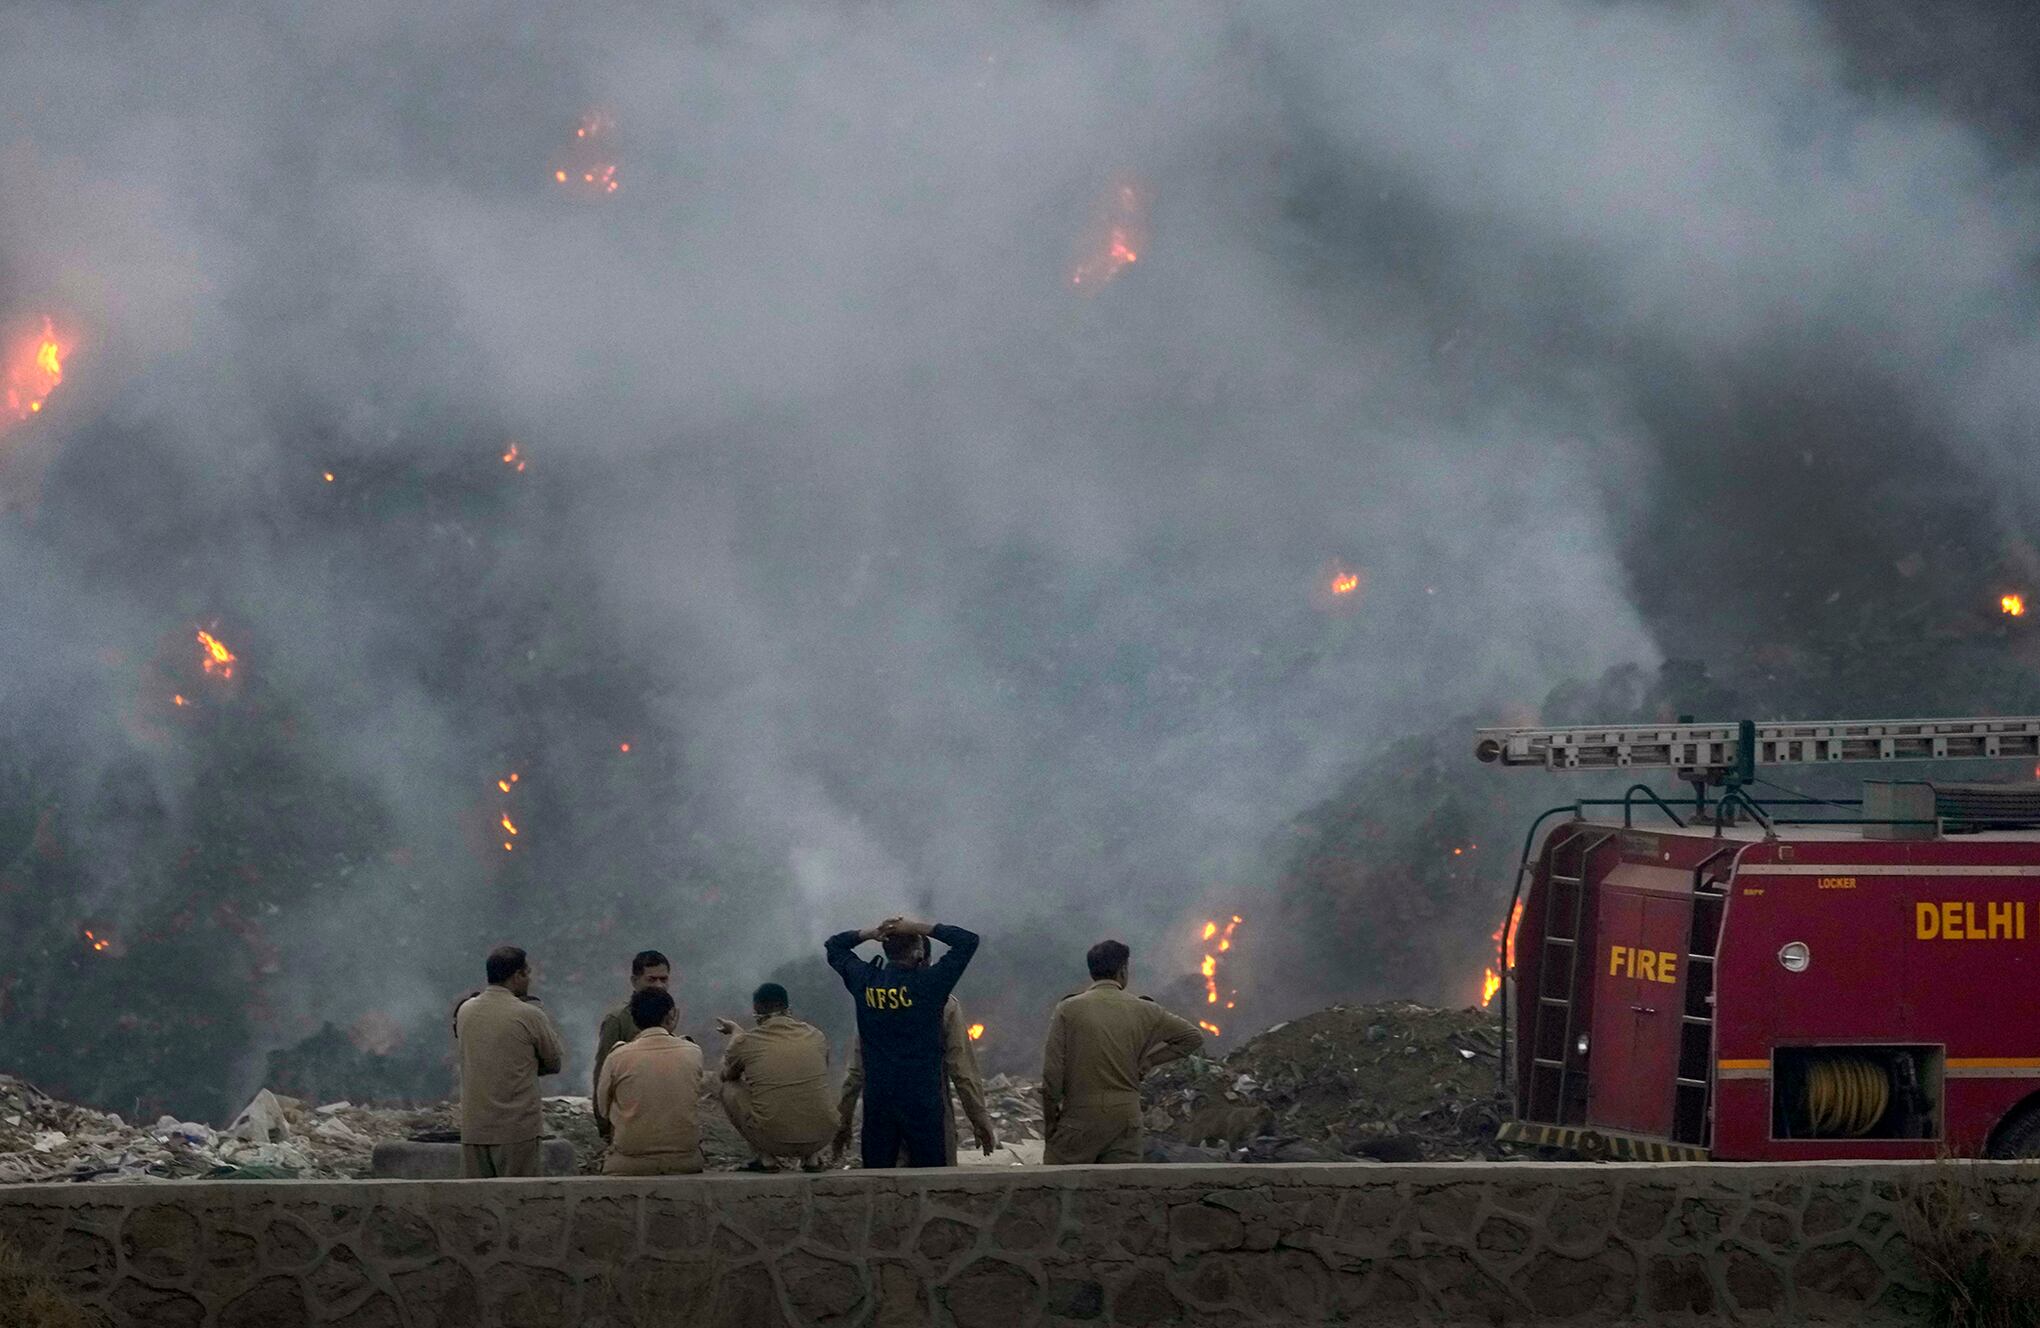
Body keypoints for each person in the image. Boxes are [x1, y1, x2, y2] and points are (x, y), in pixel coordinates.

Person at [824, 916, 979, 1168]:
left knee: (877, 1179)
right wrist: (917, 927)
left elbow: (834, 945)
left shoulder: (866, 981)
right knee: (930, 1181)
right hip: (922, 1100)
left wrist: (870, 932)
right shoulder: (930, 984)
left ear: (885, 948)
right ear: (919, 952)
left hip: (879, 1099)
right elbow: (967, 941)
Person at [1041, 938, 1203, 1165]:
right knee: (1119, 1190)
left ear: (1092, 972)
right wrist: (1150, 1060)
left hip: (1079, 1117)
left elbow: (1052, 1074)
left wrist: (1050, 1123)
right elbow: (1192, 1037)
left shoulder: (1068, 1009)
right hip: (1126, 1120)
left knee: (1058, 1188)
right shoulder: (1146, 1009)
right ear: (1123, 970)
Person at [453, 945, 565, 1178]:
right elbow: (554, 1062)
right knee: (519, 1204)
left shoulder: (465, 1010)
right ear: (517, 975)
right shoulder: (529, 1014)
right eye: (528, 973)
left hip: (475, 1128)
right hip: (516, 1130)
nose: (530, 979)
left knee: (476, 1204)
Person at [713, 983, 837, 1172]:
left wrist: (736, 1035)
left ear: (758, 1010)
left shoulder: (747, 1041)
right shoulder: (816, 1036)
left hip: (775, 1140)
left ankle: (765, 1159)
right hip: (823, 1137)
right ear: (787, 1008)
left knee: (729, 1088)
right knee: (808, 1084)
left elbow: (726, 1075)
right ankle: (812, 1158)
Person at [595, 987, 705, 1175]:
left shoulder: (618, 1056)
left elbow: (603, 1110)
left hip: (630, 1162)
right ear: (671, 1015)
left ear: (634, 1018)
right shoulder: (693, 1052)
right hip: (686, 1160)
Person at [593, 950, 673, 1142]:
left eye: (664, 979)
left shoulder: (667, 1013)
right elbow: (602, 1073)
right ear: (634, 981)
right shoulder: (618, 1019)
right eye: (651, 980)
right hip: (630, 1115)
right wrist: (605, 1128)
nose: (659, 986)